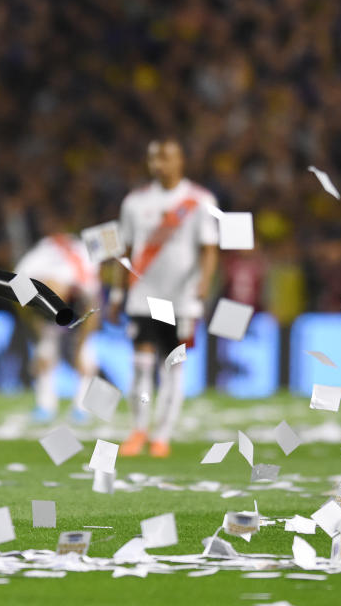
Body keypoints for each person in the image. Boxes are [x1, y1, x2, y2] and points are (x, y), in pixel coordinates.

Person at [107, 138, 219, 458]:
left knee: (172, 366)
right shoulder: (134, 201)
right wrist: (117, 292)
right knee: (141, 365)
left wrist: (204, 284)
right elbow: (123, 250)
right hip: (143, 294)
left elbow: (210, 248)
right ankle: (139, 429)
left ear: (181, 160)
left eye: (166, 158)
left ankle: (163, 435)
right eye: (154, 158)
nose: (159, 164)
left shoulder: (199, 200)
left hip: (180, 298)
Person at [14, 214, 101, 423]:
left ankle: (82, 407)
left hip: (79, 310)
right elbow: (18, 295)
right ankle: (45, 405)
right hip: (44, 305)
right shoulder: (37, 265)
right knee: (44, 355)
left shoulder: (82, 279)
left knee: (86, 359)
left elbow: (95, 311)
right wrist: (37, 340)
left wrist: (80, 348)